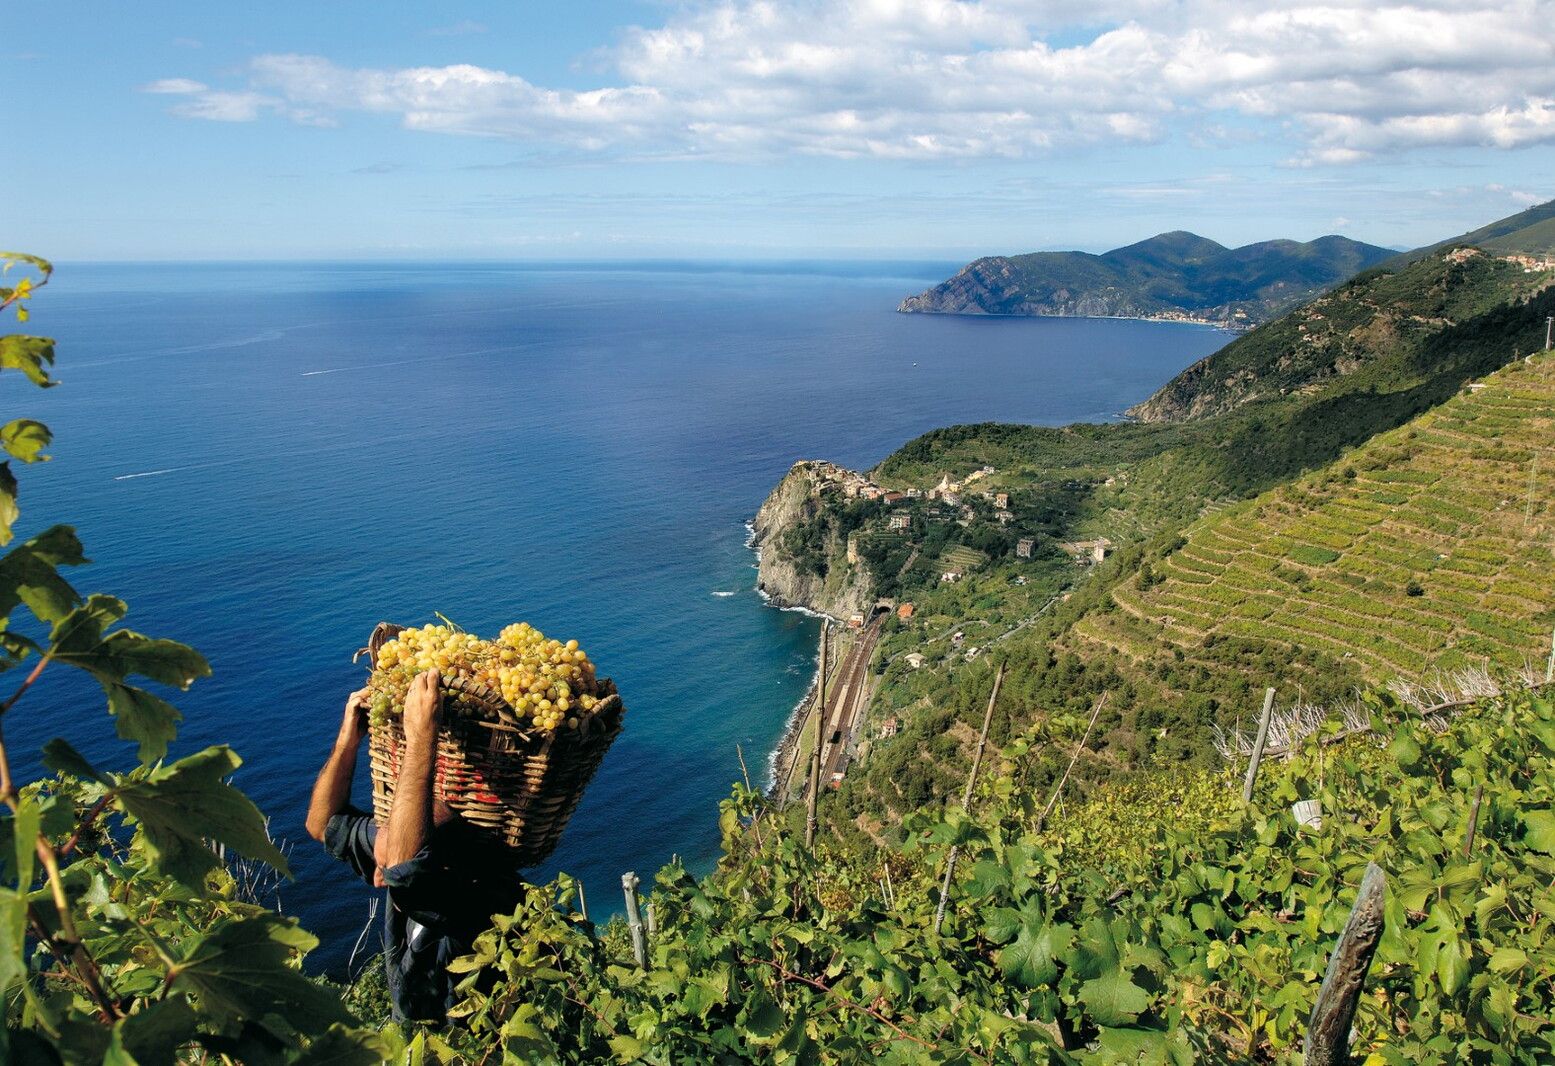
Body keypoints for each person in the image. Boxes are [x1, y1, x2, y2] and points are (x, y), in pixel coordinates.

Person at [306, 669, 526, 1024]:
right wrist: (348, 740)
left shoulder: (475, 892)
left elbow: (401, 863)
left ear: (436, 863)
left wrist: (422, 737)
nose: (379, 877)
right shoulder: (399, 849)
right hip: (411, 1034)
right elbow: (321, 824)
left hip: (470, 1049)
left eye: (385, 864)